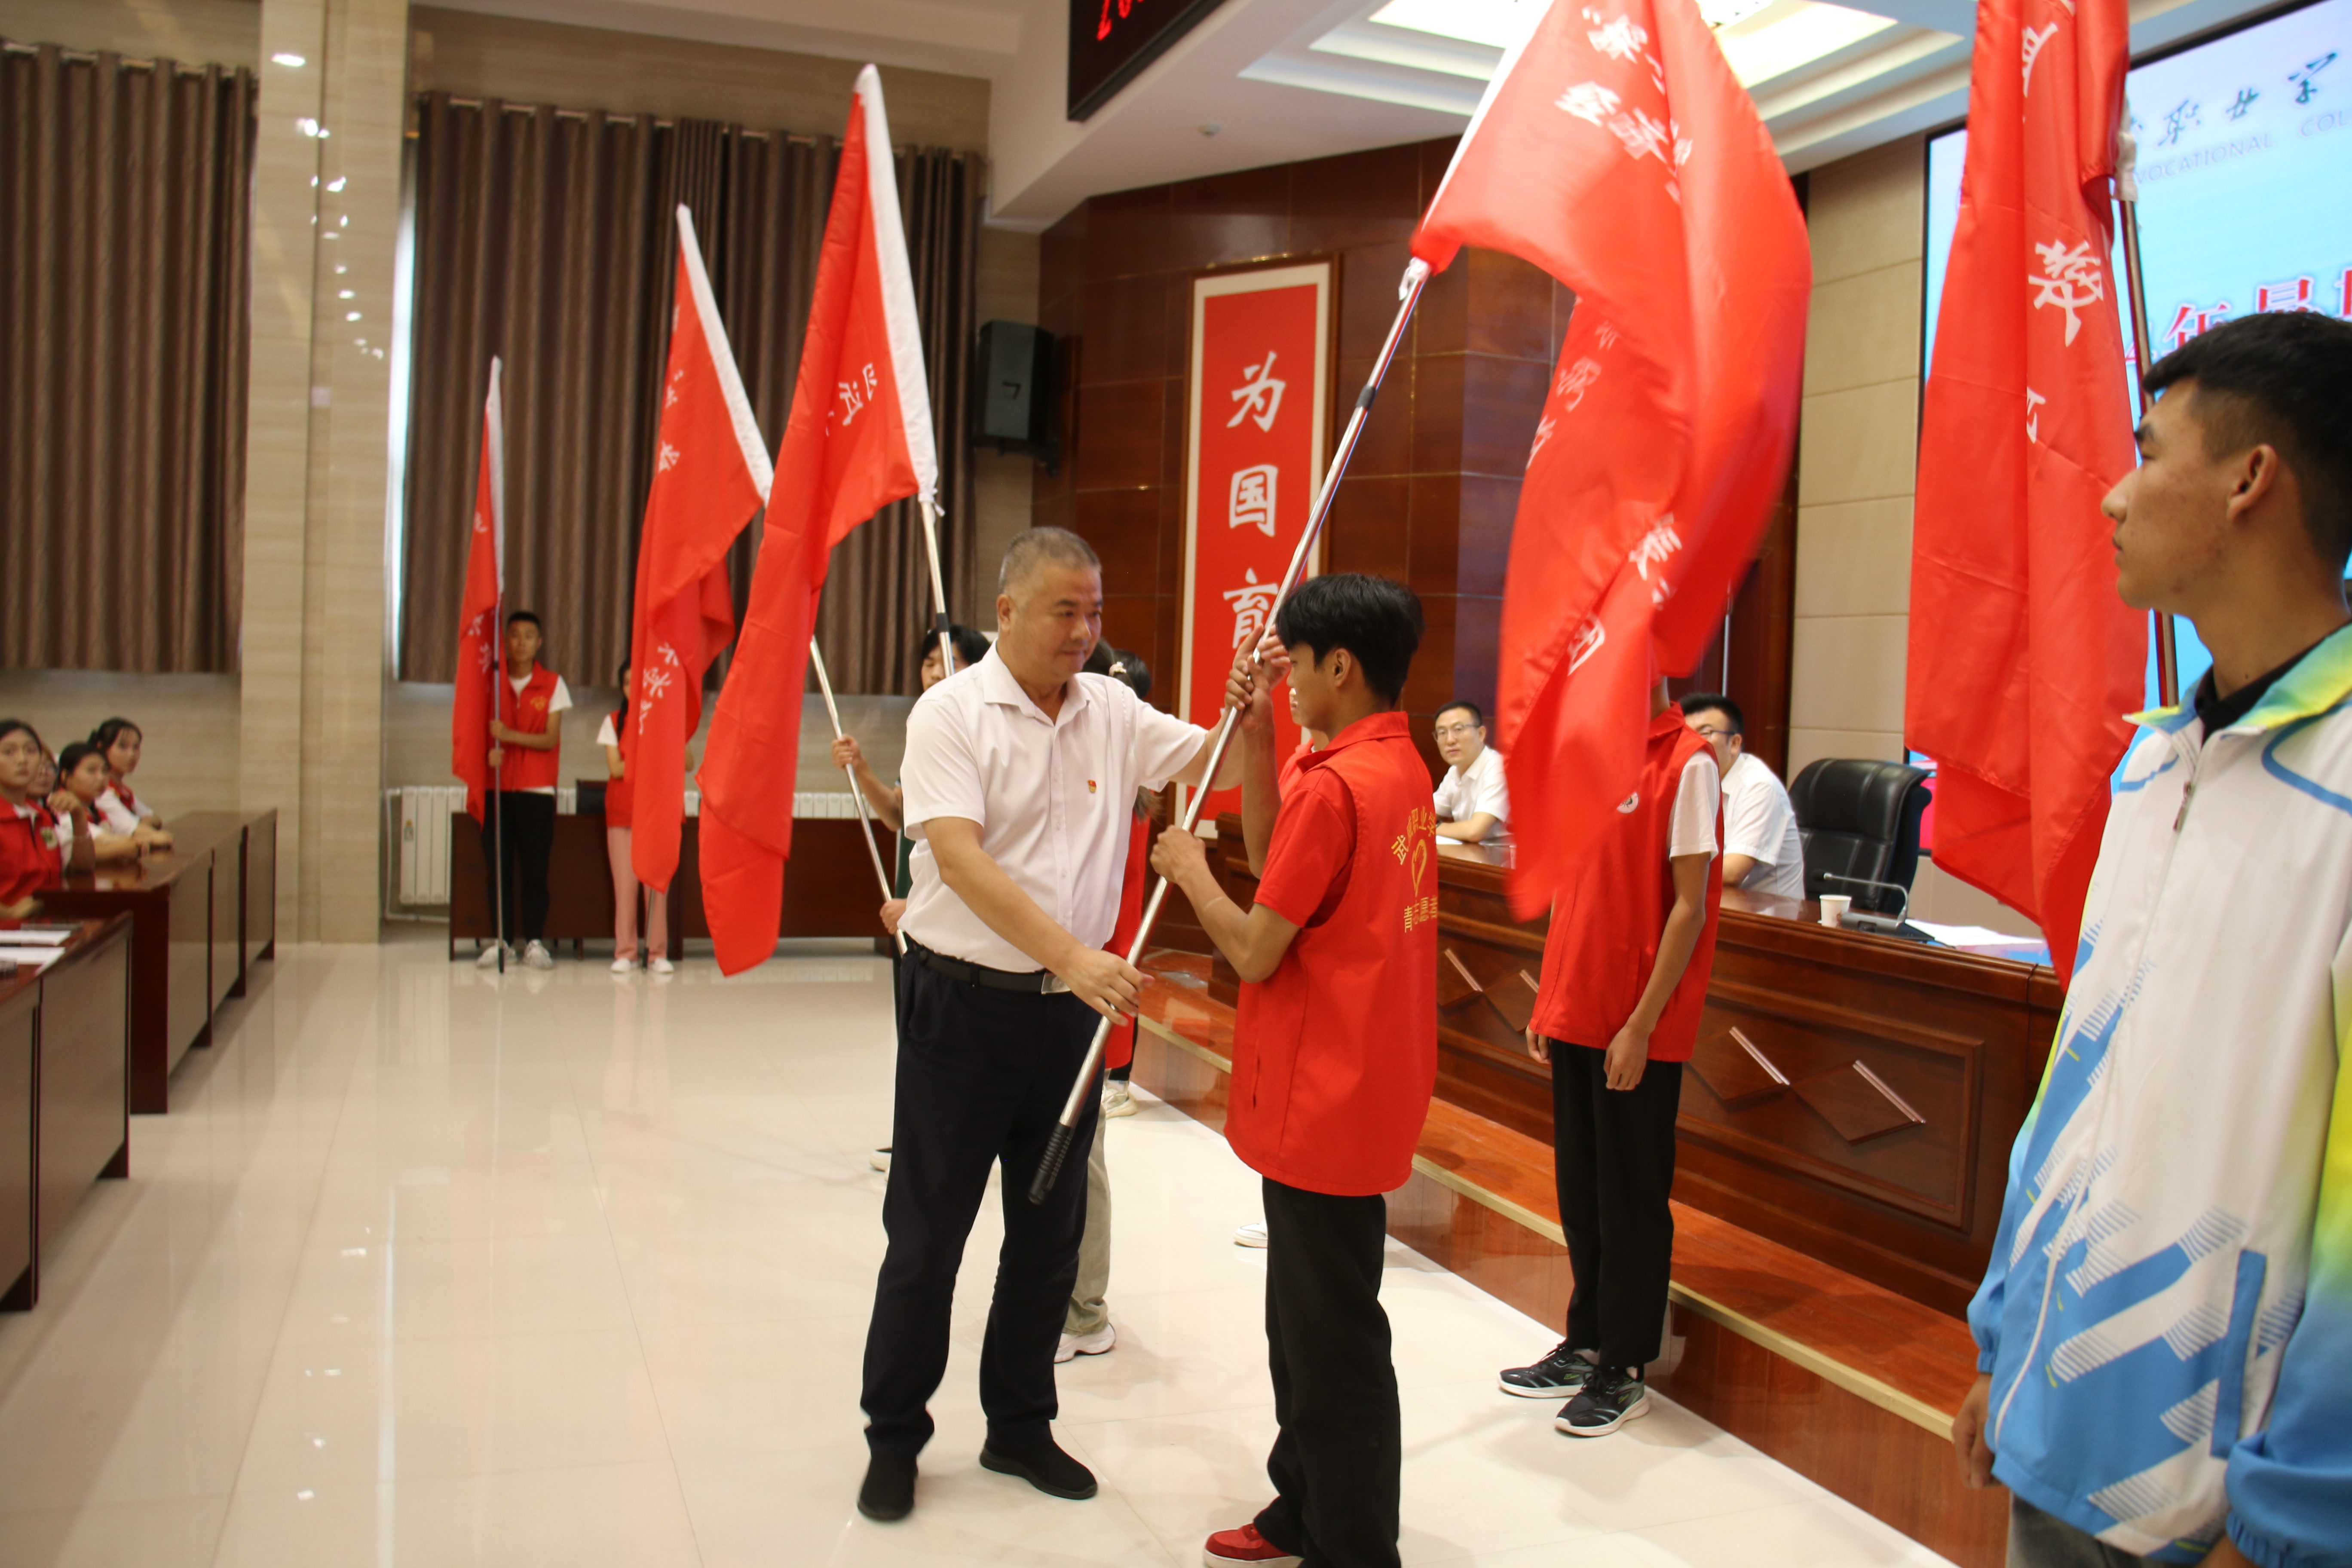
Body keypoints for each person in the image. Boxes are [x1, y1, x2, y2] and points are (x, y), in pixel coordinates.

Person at [1953, 312, 2352, 1567]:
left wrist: (2297, 1515)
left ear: (2250, 479)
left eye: (2147, 451)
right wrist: (2007, 1335)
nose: (2113, 495)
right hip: (2059, 1417)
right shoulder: (2152, 764)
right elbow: (2083, 1082)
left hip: (2228, 1492)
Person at [854, 527, 1230, 1523]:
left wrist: (1254, 701)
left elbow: (1214, 758)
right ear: (1008, 611)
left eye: (1094, 612)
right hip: (960, 1012)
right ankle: (893, 1437)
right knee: (927, 1236)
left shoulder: (1111, 707)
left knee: (1048, 1233)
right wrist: (1071, 955)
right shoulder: (951, 713)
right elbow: (958, 856)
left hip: (1065, 1024)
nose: (1083, 631)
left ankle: (1019, 1425)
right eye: (1065, 610)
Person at [1148, 573, 1435, 1568]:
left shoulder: (1340, 784)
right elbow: (1287, 866)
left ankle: (1353, 1546)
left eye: (1300, 666)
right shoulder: (1392, 764)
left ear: (1340, 666)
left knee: (1332, 1345)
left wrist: (1191, 872)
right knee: (1306, 1325)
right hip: (1360, 1087)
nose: (1294, 679)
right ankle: (1301, 1506)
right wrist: (1261, 729)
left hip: (1326, 1094)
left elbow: (1257, 947)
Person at [1498, 671, 1722, 1436]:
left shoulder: (1688, 761)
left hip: (1634, 1025)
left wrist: (1641, 1025)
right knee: (1583, 1193)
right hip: (1577, 1011)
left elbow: (1689, 907)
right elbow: (1572, 885)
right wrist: (1550, 995)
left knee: (1630, 1200)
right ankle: (1586, 1340)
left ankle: (1624, 1368)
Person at [832, 622, 992, 1174]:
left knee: (947, 1046)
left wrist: (919, 905)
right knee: (915, 1038)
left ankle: (946, 1149)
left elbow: (974, 851)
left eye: (950, 661)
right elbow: (900, 816)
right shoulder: (926, 728)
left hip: (949, 925)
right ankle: (918, 1145)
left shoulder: (978, 735)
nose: (936, 671)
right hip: (916, 920)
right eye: (928, 662)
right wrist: (862, 769)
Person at [1059, 643, 1158, 1367]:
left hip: (1091, 985)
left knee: (1079, 1154)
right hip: (1070, 983)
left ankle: (1084, 1310)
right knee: (1063, 1148)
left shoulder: (1117, 786)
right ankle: (1064, 1298)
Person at [479, 610, 570, 971]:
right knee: (498, 871)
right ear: (506, 640)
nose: (521, 643)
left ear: (539, 642)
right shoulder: (491, 682)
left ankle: (534, 942)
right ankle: (502, 942)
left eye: (529, 636)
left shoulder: (553, 684)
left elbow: (549, 739)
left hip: (537, 790)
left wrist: (509, 736)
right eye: (515, 635)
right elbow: (478, 731)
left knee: (535, 871)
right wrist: (487, 752)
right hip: (497, 788)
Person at [1680, 693, 1804, 900]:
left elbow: (1732, 873)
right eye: (1685, 736)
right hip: (1715, 904)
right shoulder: (1691, 781)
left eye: (1705, 733)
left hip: (1767, 913)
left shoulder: (1759, 786)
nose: (1692, 744)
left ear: (1735, 743)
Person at [597, 662, 672, 977]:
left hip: (657, 813)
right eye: (627, 682)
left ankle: (657, 953)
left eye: (638, 681)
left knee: (656, 887)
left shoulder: (664, 719)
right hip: (622, 813)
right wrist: (652, 757)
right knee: (625, 887)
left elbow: (685, 761)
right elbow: (616, 768)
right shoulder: (613, 721)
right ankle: (626, 952)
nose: (633, 687)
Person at [0, 720, 95, 917]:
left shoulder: (40, 815)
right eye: (9, 752)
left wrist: (79, 817)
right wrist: (9, 913)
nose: (22, 760)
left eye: (30, 751)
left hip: (48, 926)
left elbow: (84, 867)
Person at [55, 743, 153, 864]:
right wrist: (127, 846)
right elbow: (113, 844)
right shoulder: (61, 809)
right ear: (65, 776)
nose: (101, 778)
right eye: (91, 771)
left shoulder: (96, 810)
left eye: (105, 771)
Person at [1431, 699, 1508, 842]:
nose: (1450, 740)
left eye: (1458, 730)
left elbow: (1475, 831)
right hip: (1474, 852)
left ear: (1481, 734)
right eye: (1442, 733)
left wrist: (1433, 828)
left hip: (1502, 853)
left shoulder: (1498, 768)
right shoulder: (1454, 771)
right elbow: (1426, 814)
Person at [88, 717, 161, 830]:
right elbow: (137, 830)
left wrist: (140, 822)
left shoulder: (123, 790)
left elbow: (156, 819)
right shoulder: (101, 791)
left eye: (136, 747)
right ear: (102, 748)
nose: (132, 754)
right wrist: (140, 822)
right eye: (123, 747)